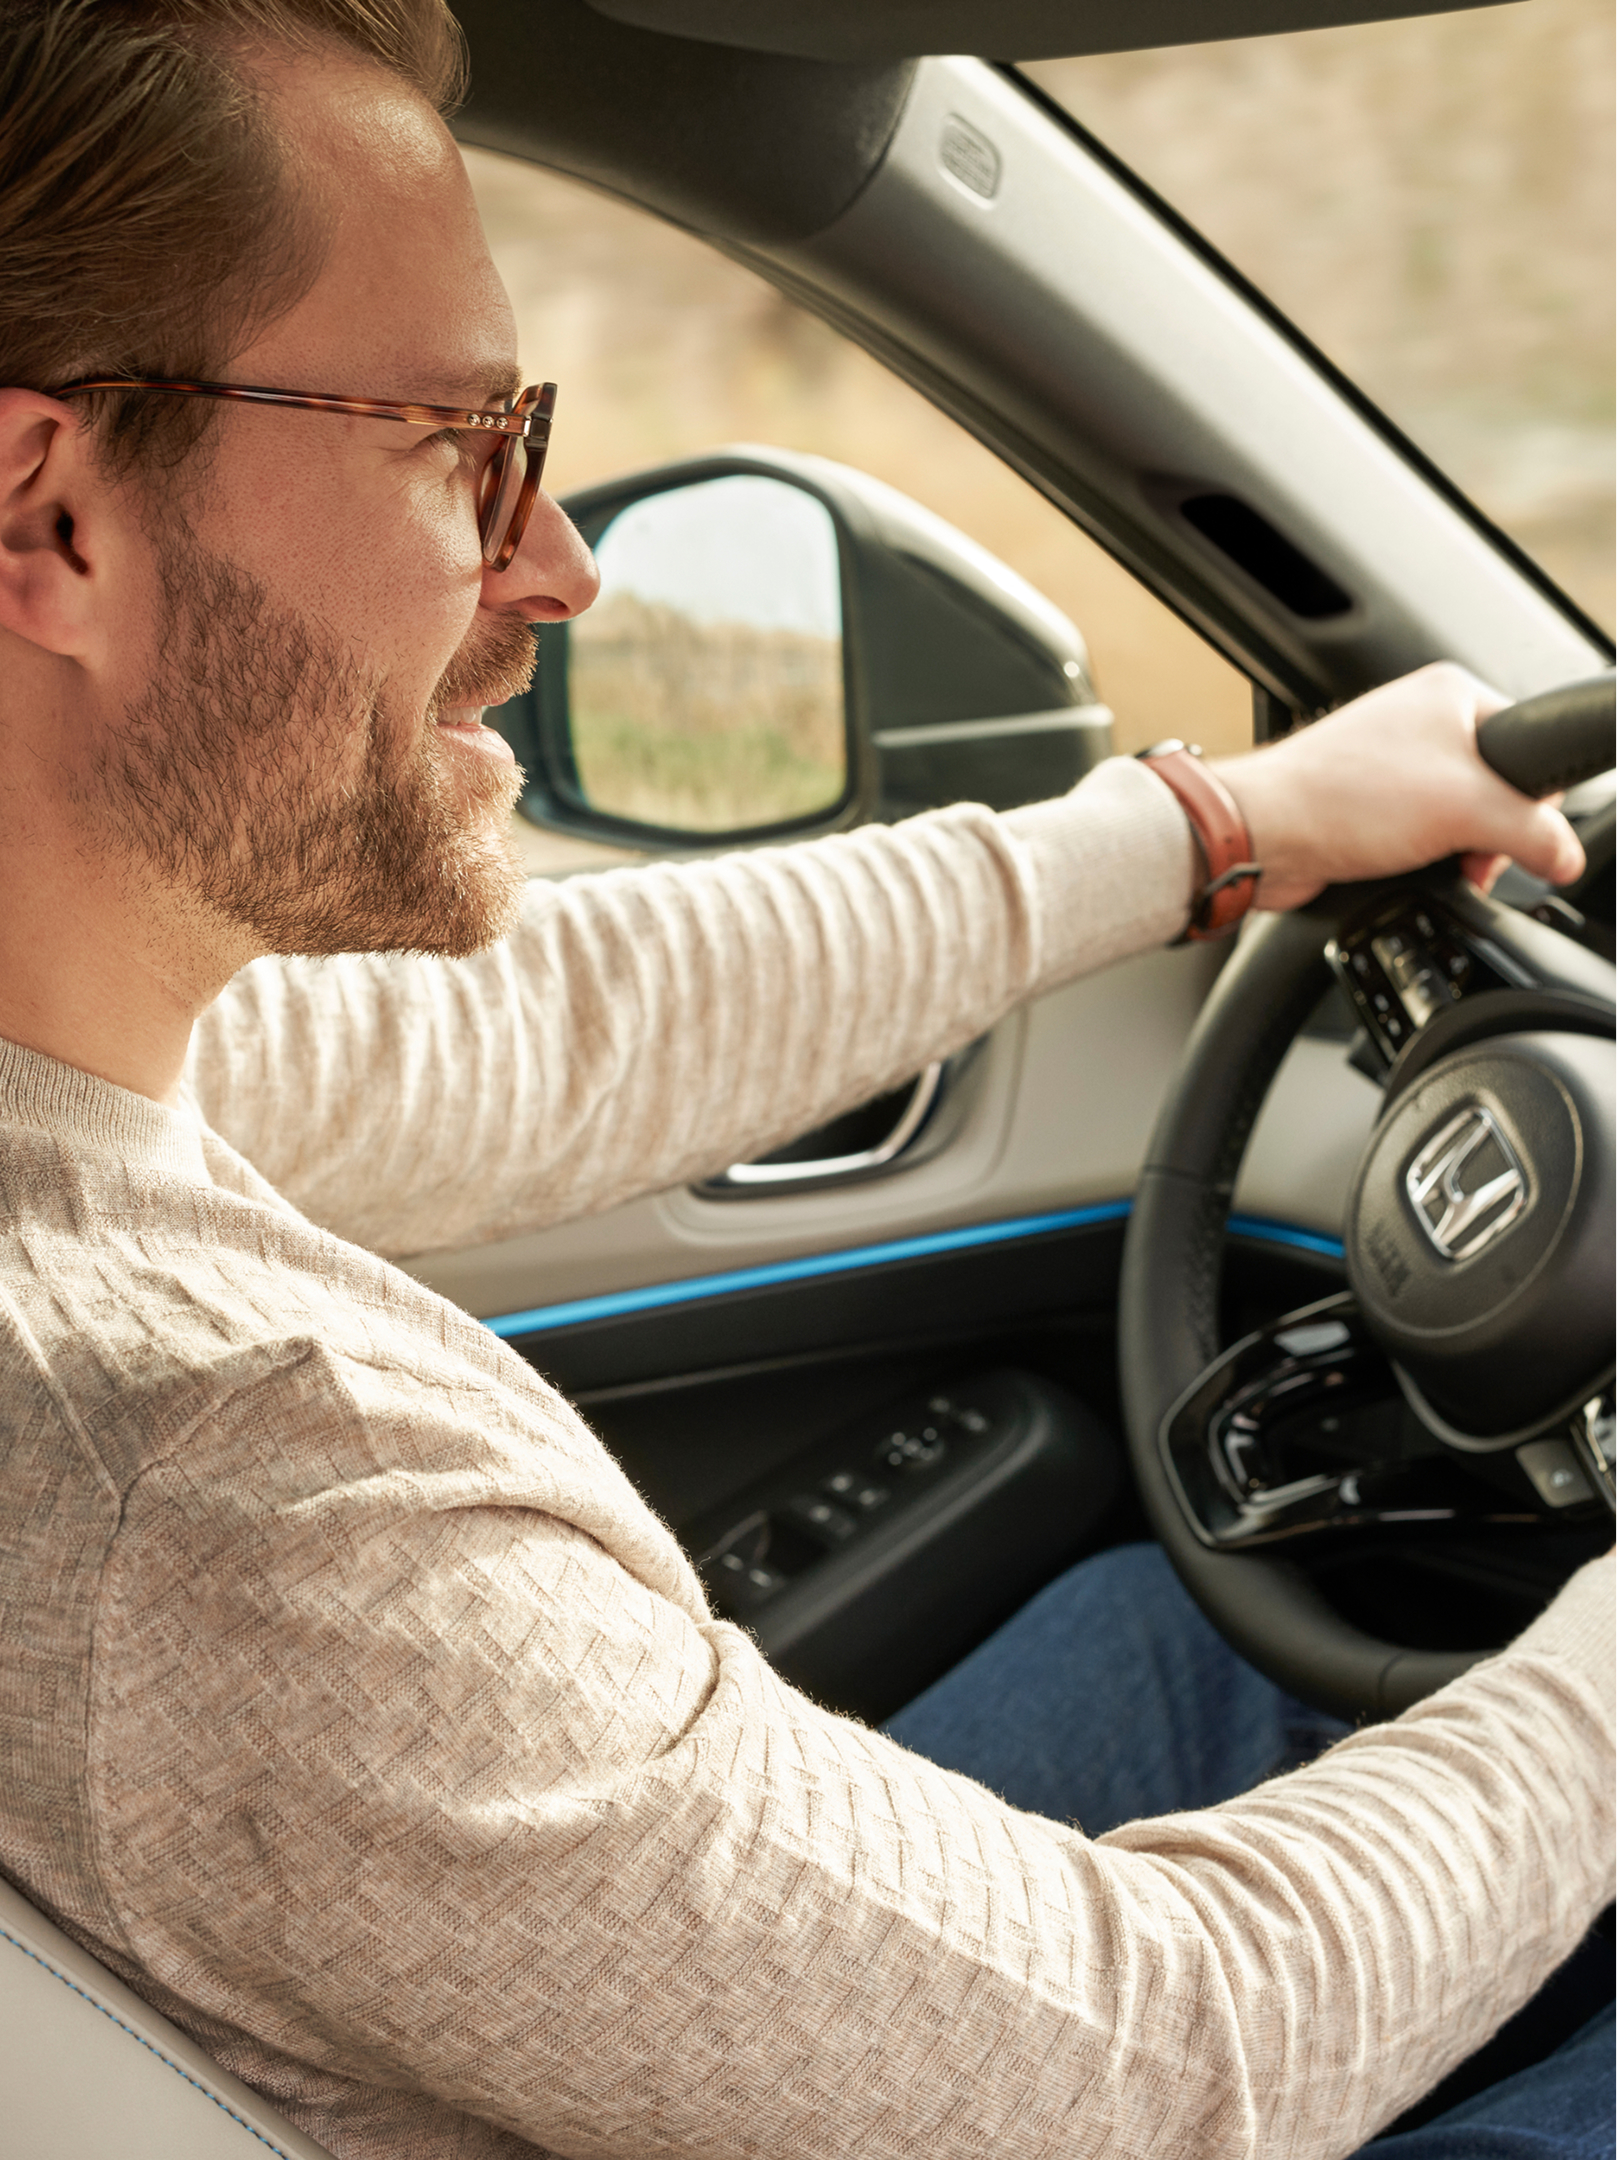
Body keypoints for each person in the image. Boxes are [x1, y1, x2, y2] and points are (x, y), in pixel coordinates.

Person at [0, 4, 1609, 2156]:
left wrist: (1223, 829)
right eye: (452, 443)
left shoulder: (67, 1093)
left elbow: (527, 1038)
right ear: (54, 511)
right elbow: (1157, 2071)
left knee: (1188, 1629)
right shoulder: (227, 1482)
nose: (556, 563)